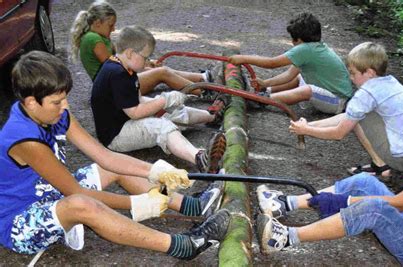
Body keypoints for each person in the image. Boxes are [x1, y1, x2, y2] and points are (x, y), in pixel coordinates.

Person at [0, 51, 231, 260]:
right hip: (20, 223)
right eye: (57, 102)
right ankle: (184, 245)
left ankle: (193, 206)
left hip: (50, 196)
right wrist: (138, 203)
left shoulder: (55, 113)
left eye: (65, 98)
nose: (65, 107)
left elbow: (105, 156)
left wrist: (156, 171)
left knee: (110, 168)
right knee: (82, 204)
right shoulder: (25, 140)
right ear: (31, 102)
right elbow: (76, 192)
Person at [256, 101, 403, 266]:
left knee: (375, 209)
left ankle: (283, 238)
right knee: (363, 181)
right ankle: (283, 204)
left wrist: (343, 201)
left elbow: (397, 204)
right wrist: (344, 200)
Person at [91, 25, 226, 174]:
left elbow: (137, 99)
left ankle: (212, 116)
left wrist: (165, 103)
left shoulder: (123, 66)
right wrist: (164, 100)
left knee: (170, 110)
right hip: (116, 135)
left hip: (124, 120)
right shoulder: (118, 75)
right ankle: (199, 158)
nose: (147, 61)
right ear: (130, 53)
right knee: (161, 126)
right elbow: (135, 113)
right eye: (145, 57)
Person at [289, 42, 403, 177]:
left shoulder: (367, 94)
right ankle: (380, 164)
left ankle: (381, 165)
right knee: (358, 114)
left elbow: (338, 133)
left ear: (370, 73)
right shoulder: (390, 82)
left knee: (360, 116)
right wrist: (308, 125)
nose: (350, 77)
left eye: (353, 73)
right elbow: (348, 116)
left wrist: (306, 130)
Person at [69, 0, 217, 95]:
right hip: (112, 89)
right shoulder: (92, 39)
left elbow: (121, 61)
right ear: (97, 23)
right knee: (162, 73)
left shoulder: (98, 36)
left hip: (115, 83)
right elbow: (114, 66)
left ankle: (203, 78)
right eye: (111, 25)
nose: (113, 29)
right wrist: (142, 66)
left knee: (156, 70)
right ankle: (203, 91)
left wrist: (145, 63)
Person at [228, 12, 353, 115]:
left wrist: (243, 58)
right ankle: (267, 91)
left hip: (338, 101)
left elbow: (272, 63)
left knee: (308, 90)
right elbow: (289, 75)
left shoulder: (306, 49)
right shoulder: (315, 48)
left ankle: (263, 100)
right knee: (299, 77)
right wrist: (265, 84)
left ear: (298, 39)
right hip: (331, 95)